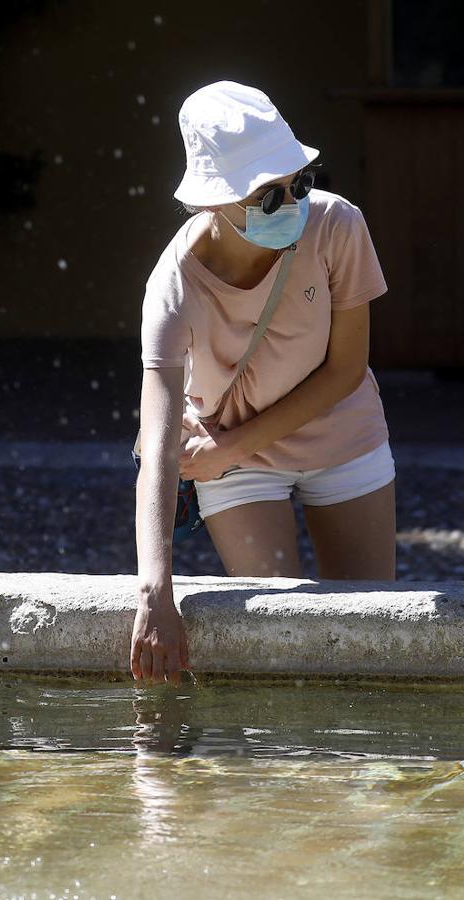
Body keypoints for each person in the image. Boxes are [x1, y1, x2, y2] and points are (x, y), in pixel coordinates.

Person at [130, 81, 396, 685]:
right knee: (282, 649)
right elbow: (158, 451)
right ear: (212, 204)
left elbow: (346, 370)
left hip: (340, 435)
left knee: (371, 634)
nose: (294, 201)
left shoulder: (338, 224)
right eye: (269, 195)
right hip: (238, 459)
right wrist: (154, 591)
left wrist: (226, 449)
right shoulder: (172, 287)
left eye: (298, 183)